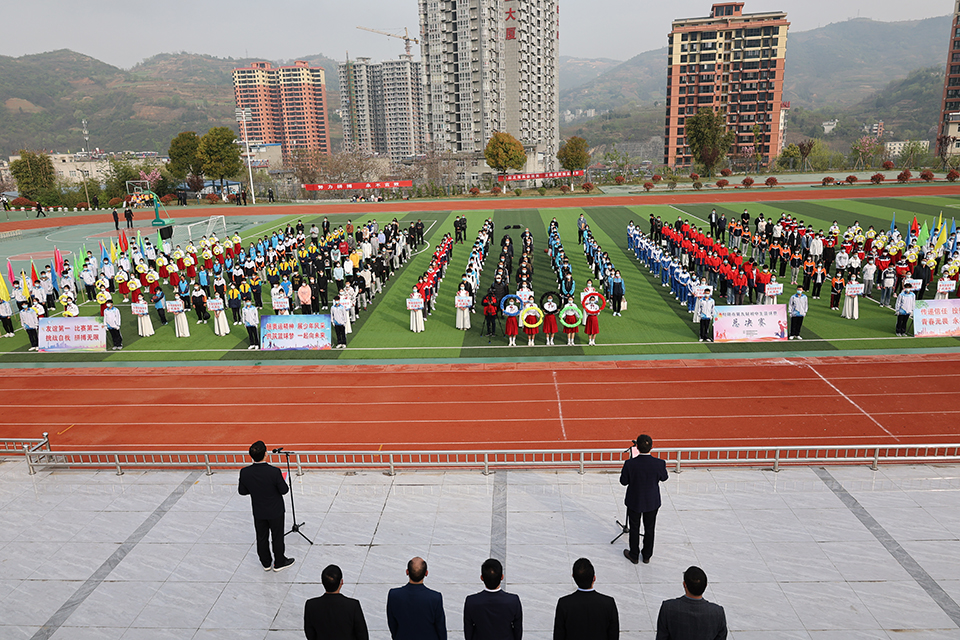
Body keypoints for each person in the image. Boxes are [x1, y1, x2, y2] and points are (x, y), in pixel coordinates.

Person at [237, 440, 294, 572]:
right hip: (275, 511)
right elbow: (284, 490)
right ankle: (279, 562)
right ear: (266, 454)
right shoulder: (274, 472)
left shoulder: (245, 472)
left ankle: (266, 563)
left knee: (261, 537)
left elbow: (242, 491)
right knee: (277, 537)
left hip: (259, 511)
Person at [620, 434, 668, 564]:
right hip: (652, 501)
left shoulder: (630, 464)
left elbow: (623, 482)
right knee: (650, 528)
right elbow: (664, 477)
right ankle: (646, 556)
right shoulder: (659, 463)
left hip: (634, 501)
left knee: (634, 528)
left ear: (637, 447)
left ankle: (634, 555)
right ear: (651, 447)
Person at [553, 558, 619, 640]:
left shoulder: (564, 604)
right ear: (594, 578)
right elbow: (613, 635)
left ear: (573, 577)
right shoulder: (609, 603)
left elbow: (559, 635)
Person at [655, 566, 727, 640]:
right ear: (706, 586)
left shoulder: (668, 608)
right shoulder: (717, 612)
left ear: (684, 584)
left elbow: (661, 637)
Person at [386, 557, 446, 640]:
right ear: (426, 573)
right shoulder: (435, 598)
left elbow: (392, 623)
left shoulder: (394, 595)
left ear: (407, 572)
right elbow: (440, 627)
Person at [304, 564, 369, 640]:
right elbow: (362, 635)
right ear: (341, 582)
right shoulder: (352, 606)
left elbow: (310, 634)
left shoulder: (311, 605)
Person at [463, 558, 522, 640]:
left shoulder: (471, 601)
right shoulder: (513, 601)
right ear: (502, 577)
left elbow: (468, 630)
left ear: (482, 578)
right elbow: (517, 629)